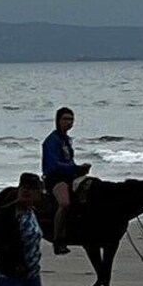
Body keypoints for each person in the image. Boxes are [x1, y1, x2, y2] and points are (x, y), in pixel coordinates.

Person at [42, 106, 91, 255]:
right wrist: (75, 168)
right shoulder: (52, 141)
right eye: (65, 119)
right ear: (58, 120)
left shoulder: (66, 140)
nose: (68, 122)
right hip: (55, 179)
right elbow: (53, 165)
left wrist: (79, 170)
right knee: (64, 203)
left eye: (71, 119)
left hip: (69, 176)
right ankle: (58, 240)